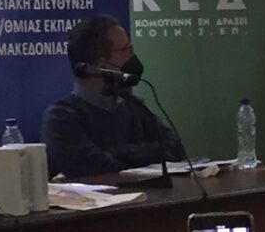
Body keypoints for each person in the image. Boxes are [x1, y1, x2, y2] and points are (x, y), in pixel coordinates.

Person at [41, 14, 183, 179]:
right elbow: (94, 168)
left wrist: (117, 153)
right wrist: (143, 155)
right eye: (124, 50)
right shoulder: (60, 117)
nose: (132, 55)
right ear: (101, 65)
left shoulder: (133, 106)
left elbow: (175, 149)